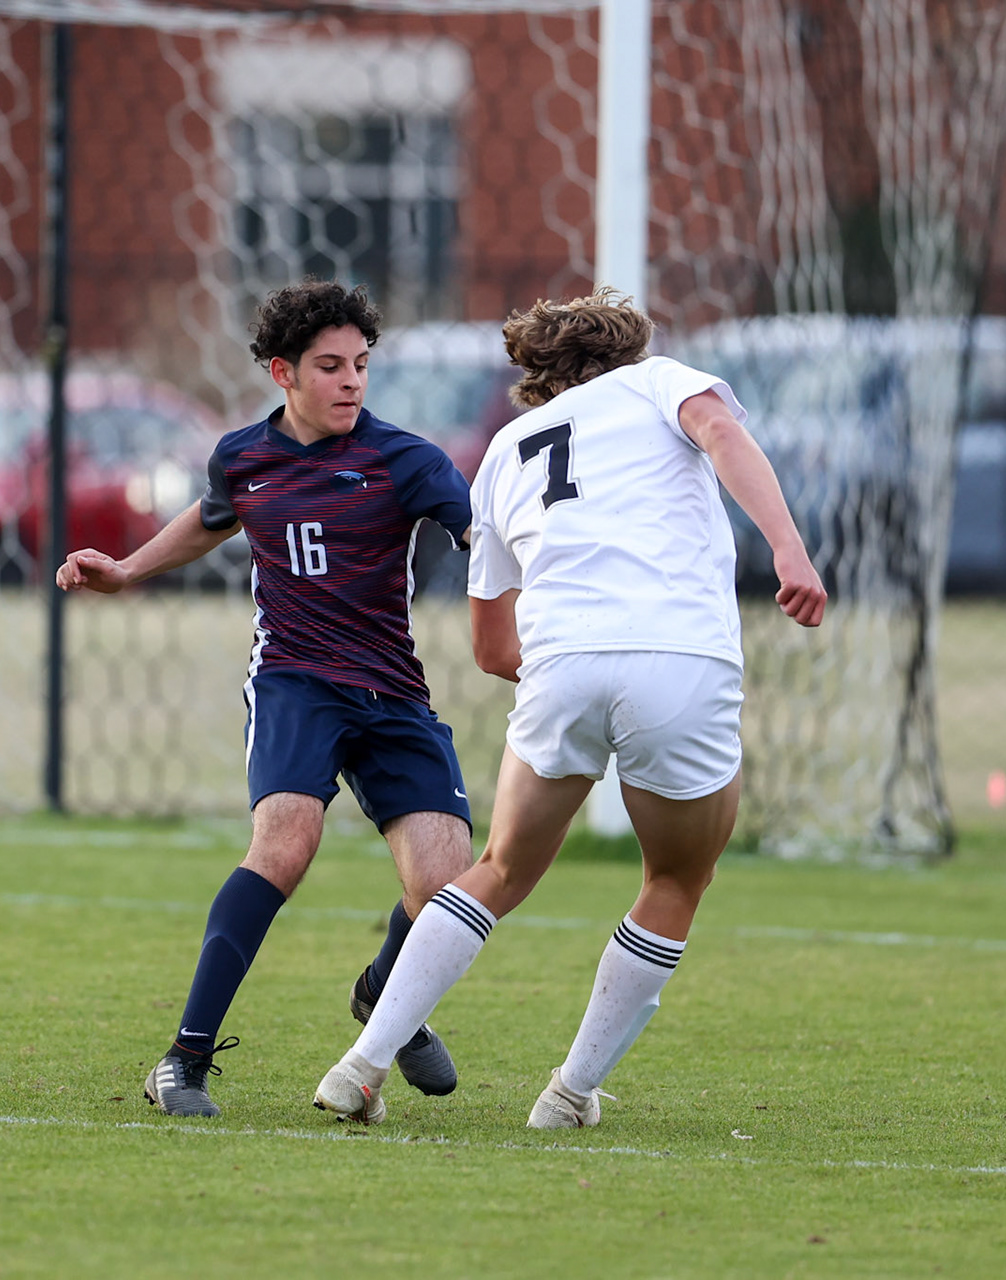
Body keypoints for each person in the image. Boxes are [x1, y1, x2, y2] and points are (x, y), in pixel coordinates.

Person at [314, 289, 825, 1128]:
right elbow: (725, 433)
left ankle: (360, 1066)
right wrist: (789, 549)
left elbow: (490, 650)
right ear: (627, 351)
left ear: (538, 376)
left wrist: (578, 674)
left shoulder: (506, 450)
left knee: (501, 869)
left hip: (561, 663)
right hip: (679, 655)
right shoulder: (660, 380)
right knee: (677, 876)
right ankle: (568, 1094)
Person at [57, 280, 477, 1118]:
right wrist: (130, 569)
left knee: (446, 887)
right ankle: (183, 1059)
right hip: (295, 680)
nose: (352, 381)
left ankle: (384, 1000)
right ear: (283, 372)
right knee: (286, 842)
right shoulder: (243, 455)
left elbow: (481, 537)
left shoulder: (408, 460)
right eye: (330, 366)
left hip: (393, 689)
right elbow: (216, 516)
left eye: (361, 364)